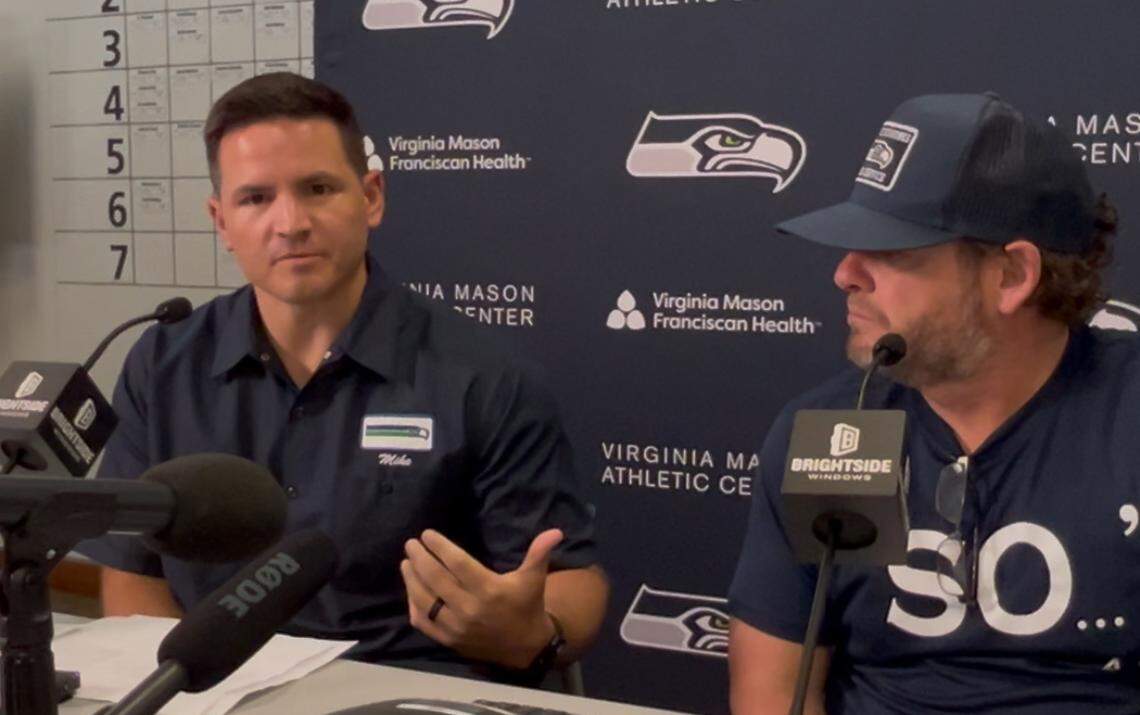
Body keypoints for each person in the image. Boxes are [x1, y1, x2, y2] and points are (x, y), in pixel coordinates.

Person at [77, 72, 608, 683]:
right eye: (255, 199)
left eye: (318, 188)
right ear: (221, 222)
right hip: (218, 694)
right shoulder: (163, 363)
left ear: (372, 197)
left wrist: (534, 629)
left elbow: (570, 581)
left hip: (410, 690)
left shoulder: (484, 376)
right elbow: (131, 575)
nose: (290, 222)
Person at [727, 92, 1139, 713]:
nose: (845, 273)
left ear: (1011, 276)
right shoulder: (828, 430)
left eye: (890, 252)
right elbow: (774, 691)